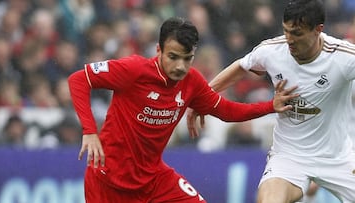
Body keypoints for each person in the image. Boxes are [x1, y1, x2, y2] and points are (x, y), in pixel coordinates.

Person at [68, 17, 298, 203]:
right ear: (158, 50)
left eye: (187, 59)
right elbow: (79, 79)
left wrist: (270, 106)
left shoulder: (192, 82)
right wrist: (89, 131)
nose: (180, 66)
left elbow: (225, 110)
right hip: (108, 182)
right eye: (173, 57)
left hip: (153, 180)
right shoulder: (134, 70)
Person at [187, 0, 355, 202]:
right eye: (286, 31)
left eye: (297, 33)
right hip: (289, 156)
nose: (290, 40)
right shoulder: (272, 51)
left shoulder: (344, 57)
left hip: (337, 159)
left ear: (318, 30)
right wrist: (204, 97)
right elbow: (241, 66)